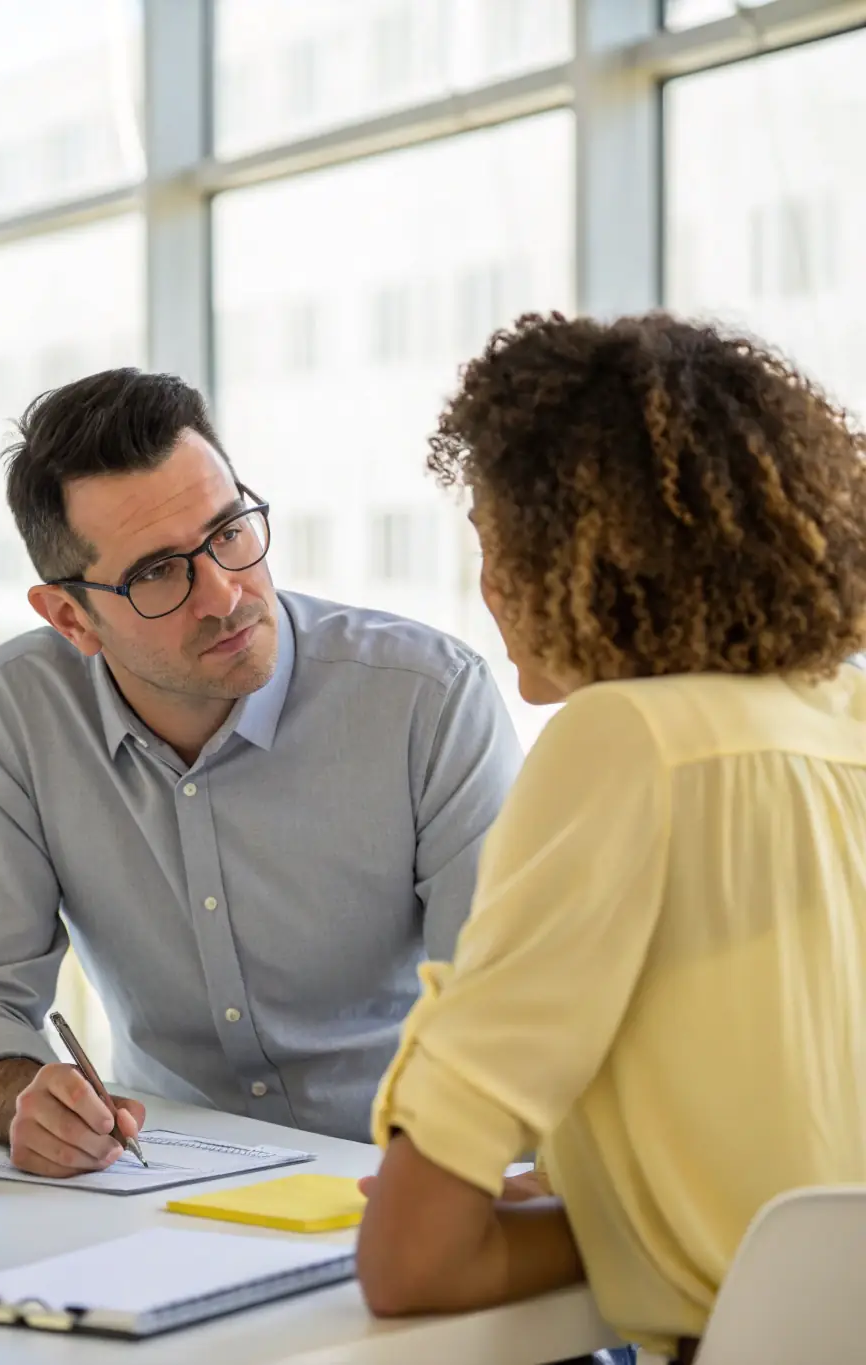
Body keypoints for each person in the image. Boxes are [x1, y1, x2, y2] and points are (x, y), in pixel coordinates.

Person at [356, 312, 866, 1365]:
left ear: (594, 559)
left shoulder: (624, 741)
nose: (487, 590)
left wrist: (626, 1232)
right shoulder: (843, 720)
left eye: (500, 546)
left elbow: (412, 1262)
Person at [0, 369, 522, 1177]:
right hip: (161, 1186)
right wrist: (20, 1095)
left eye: (229, 530)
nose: (225, 595)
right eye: (158, 572)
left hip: (401, 1180)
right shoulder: (21, 708)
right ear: (70, 617)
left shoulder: (429, 700)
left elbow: (503, 1015)